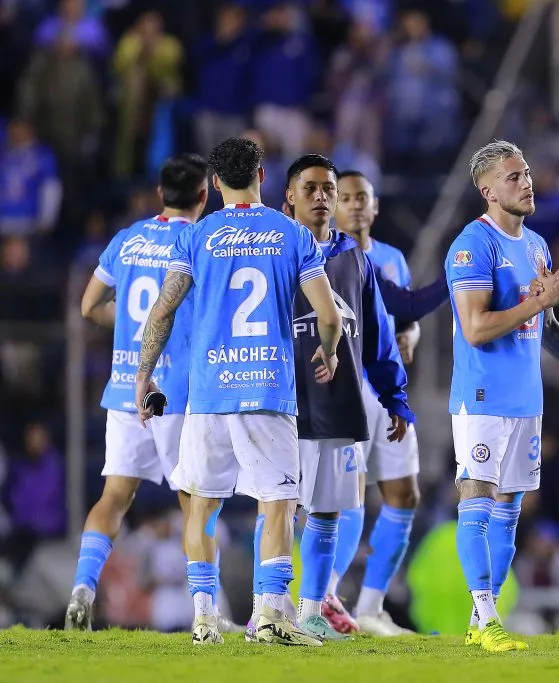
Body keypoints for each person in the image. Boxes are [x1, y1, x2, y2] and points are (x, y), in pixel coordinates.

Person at [135, 137, 342, 646]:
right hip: (268, 390)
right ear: (263, 176)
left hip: (209, 394)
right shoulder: (293, 235)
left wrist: (145, 375)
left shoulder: (196, 237)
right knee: (277, 504)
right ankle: (270, 616)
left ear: (214, 184)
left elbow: (161, 312)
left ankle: (204, 618)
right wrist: (330, 350)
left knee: (201, 506)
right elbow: (329, 315)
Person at [65, 154, 245, 633]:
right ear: (204, 196)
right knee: (195, 502)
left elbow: (89, 305)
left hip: (124, 387)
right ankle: (208, 610)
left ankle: (83, 587)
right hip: (173, 391)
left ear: (159, 194)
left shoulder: (127, 240)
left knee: (114, 497)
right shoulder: (199, 241)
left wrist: (125, 324)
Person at [239, 154, 415, 642]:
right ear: (288, 196)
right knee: (278, 508)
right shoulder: (269, 251)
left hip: (340, 403)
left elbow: (378, 332)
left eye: (328, 189)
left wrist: (395, 396)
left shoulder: (355, 259)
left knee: (328, 510)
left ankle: (312, 609)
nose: (321, 197)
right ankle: (265, 608)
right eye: (310, 188)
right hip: (283, 403)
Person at [445, 139, 559, 652]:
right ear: (486, 190)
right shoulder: (472, 245)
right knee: (478, 498)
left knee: (511, 510)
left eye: (527, 173)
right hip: (483, 394)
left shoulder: (535, 246)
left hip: (526, 398)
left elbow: (547, 324)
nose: (526, 182)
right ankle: (486, 618)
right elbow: (476, 328)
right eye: (513, 177)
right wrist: (538, 303)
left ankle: (481, 617)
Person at [322, 169, 449, 636]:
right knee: (348, 497)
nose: (355, 205)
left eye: (363, 198)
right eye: (346, 198)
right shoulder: (330, 255)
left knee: (403, 494)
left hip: (387, 393)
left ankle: (372, 606)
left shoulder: (393, 258)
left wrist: (410, 332)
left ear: (375, 207)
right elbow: (406, 305)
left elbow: (400, 313)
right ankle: (325, 599)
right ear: (333, 208)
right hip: (346, 392)